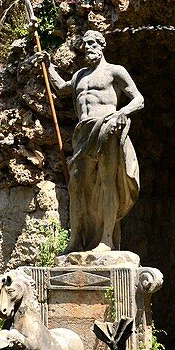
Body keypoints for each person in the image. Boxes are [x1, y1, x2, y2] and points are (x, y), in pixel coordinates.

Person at [45, 30, 143, 253]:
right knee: (76, 185)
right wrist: (48, 65)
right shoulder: (80, 75)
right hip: (83, 133)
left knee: (107, 182)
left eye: (91, 44)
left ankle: (106, 240)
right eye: (84, 45)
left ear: (102, 45)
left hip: (107, 128)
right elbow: (61, 89)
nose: (87, 48)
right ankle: (76, 240)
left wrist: (121, 113)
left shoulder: (114, 71)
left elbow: (139, 99)